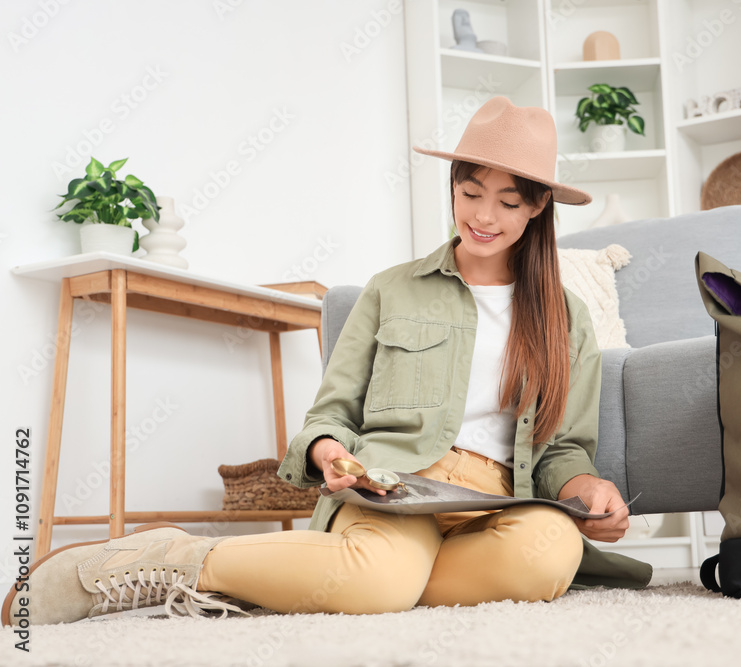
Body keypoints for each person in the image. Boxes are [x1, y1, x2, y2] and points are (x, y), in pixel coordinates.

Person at [3, 96, 651, 626]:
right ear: (453, 186)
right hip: (397, 484)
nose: (483, 216)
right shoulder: (391, 290)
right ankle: (175, 558)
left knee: (552, 554)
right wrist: (330, 457)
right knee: (380, 574)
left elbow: (563, 447)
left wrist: (584, 488)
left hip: (497, 501)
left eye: (509, 202)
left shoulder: (566, 317)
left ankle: (346, 577)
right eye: (471, 192)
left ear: (537, 208)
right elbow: (331, 414)